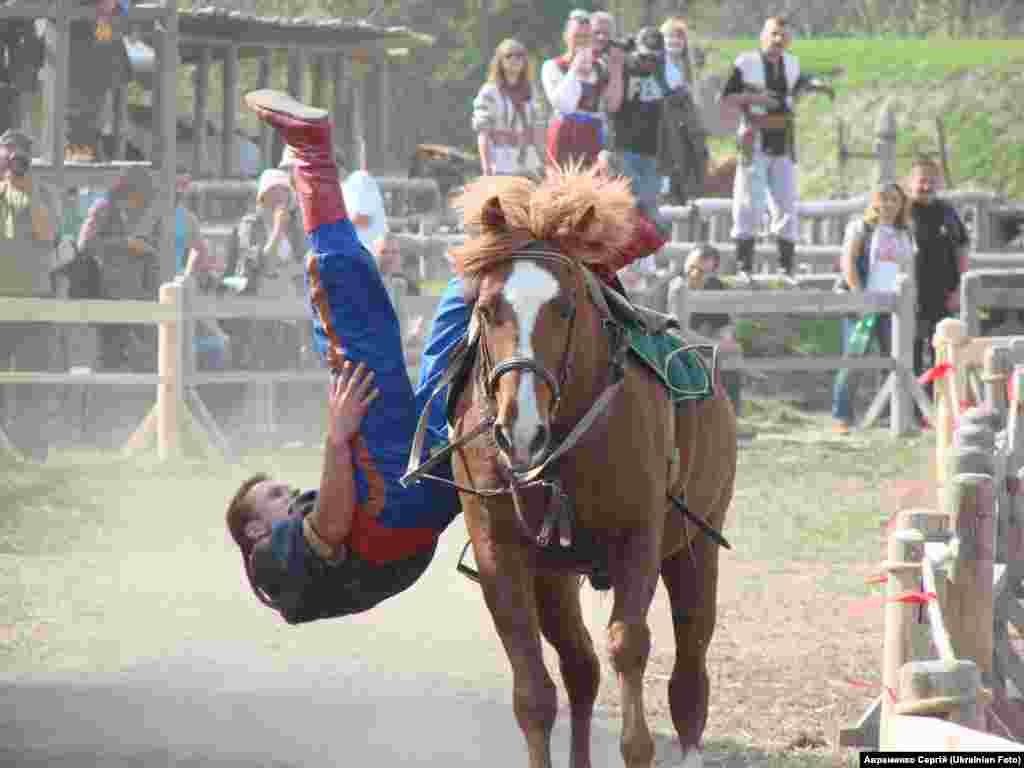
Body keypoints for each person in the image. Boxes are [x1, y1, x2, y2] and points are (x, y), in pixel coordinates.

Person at [226, 90, 669, 623]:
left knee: (471, 306)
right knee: (355, 343)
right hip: (387, 513)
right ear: (254, 527)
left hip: (427, 495)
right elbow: (332, 525)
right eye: (272, 495)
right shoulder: (272, 559)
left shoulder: (287, 560)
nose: (287, 491)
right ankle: (312, 157)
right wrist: (338, 436)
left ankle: (609, 244)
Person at [720, 16, 801, 277]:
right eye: (774, 34)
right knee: (748, 202)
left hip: (782, 138)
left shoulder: (792, 64)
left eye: (783, 36)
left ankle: (786, 267)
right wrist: (757, 98)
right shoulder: (746, 63)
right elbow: (726, 97)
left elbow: (792, 94)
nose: (778, 40)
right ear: (763, 35)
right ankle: (745, 265)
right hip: (754, 137)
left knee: (787, 202)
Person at [831, 182, 914, 433]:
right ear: (875, 201)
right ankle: (842, 416)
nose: (888, 204)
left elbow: (909, 269)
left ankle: (892, 414)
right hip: (865, 303)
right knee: (854, 358)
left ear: (901, 205)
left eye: (894, 200)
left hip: (894, 305)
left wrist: (911, 301)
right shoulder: (861, 228)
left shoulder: (904, 233)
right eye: (884, 199)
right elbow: (848, 263)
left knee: (895, 359)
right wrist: (860, 298)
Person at [0, 129, 58, 461]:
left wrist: (28, 192)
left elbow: (47, 233)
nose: (13, 159)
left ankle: (32, 453)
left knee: (31, 383)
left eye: (20, 154)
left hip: (34, 300)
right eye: (7, 152)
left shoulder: (45, 193)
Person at [77, 165, 160, 371]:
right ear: (130, 190)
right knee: (108, 358)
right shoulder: (103, 207)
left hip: (135, 296)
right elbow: (85, 245)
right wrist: (126, 244)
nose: (144, 203)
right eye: (142, 195)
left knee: (141, 360)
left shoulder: (134, 214)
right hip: (106, 295)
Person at [229, 167, 306, 370]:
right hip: (257, 306)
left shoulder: (294, 226)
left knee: (287, 368)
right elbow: (259, 263)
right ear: (264, 195)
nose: (281, 196)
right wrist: (277, 230)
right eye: (275, 190)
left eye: (285, 190)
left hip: (288, 306)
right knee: (259, 367)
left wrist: (291, 270)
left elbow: (305, 262)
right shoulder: (250, 224)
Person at [907, 156, 969, 386]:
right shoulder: (903, 211)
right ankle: (910, 408)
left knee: (942, 352)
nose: (927, 186)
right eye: (922, 180)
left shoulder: (947, 211)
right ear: (910, 182)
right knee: (910, 351)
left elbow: (962, 248)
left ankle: (939, 405)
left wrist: (958, 289)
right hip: (911, 295)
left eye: (932, 181)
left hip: (943, 295)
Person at [541, 9, 623, 170]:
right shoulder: (553, 66)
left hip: (592, 136)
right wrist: (575, 70)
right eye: (577, 36)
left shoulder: (600, 67)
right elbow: (562, 105)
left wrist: (616, 68)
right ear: (566, 36)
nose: (581, 42)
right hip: (563, 137)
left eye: (586, 37)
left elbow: (612, 105)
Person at [472, 38, 545, 178]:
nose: (514, 59)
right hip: (500, 162)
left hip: (529, 162)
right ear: (500, 61)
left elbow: (538, 131)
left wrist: (545, 163)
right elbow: (483, 133)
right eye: (508, 55)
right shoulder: (489, 92)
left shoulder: (531, 91)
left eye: (519, 55)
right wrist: (486, 168)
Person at [683, 244, 743, 414]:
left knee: (732, 356)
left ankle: (730, 418)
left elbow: (723, 323)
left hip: (699, 344)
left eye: (702, 272)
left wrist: (726, 339)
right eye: (692, 267)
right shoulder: (674, 285)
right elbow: (675, 331)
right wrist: (715, 345)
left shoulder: (714, 287)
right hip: (670, 345)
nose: (694, 274)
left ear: (712, 273)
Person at [657, 17, 708, 206]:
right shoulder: (656, 68)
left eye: (679, 37)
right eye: (669, 36)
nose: (674, 41)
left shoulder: (689, 72)